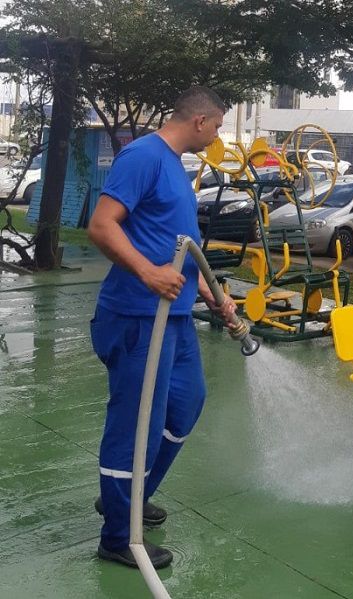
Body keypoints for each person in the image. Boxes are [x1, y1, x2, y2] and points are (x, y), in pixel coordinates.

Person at [87, 86, 236, 569]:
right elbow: (103, 226)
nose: (216, 138)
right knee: (135, 429)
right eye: (216, 128)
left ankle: (129, 496)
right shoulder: (143, 156)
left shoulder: (175, 165)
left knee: (186, 405)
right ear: (199, 121)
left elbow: (179, 244)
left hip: (172, 318)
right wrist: (148, 273)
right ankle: (117, 536)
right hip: (135, 316)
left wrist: (212, 293)